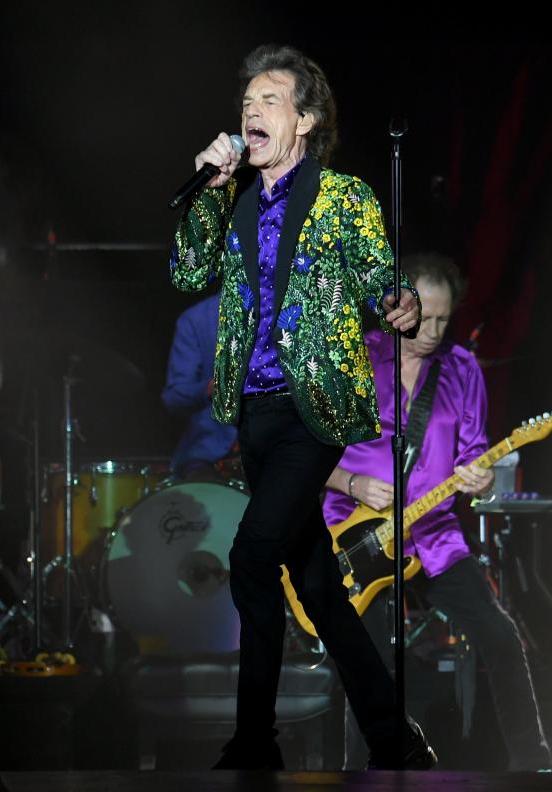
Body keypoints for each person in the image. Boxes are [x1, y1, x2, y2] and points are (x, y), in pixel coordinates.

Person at [169, 44, 434, 770]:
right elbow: (187, 269)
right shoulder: (234, 197)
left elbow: (379, 279)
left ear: (307, 121)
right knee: (318, 587)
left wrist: (398, 303)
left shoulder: (343, 197)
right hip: (251, 413)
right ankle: (393, 737)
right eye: (247, 102)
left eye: (270, 101)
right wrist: (210, 187)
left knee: (253, 557)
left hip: (311, 409)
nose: (251, 112)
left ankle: (255, 742)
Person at [323, 252, 552, 771]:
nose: (432, 330)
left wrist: (482, 476)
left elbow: (473, 450)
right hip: (355, 537)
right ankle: (367, 775)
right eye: (422, 316)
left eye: (444, 319)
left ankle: (534, 767)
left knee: (500, 634)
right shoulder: (352, 358)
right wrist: (352, 481)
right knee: (371, 665)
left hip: (432, 533)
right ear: (392, 306)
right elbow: (301, 454)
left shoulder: (462, 368)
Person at [161, 292, 238, 477]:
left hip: (276, 450)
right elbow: (173, 396)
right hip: (209, 456)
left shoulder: (290, 312)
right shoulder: (196, 319)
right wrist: (211, 388)